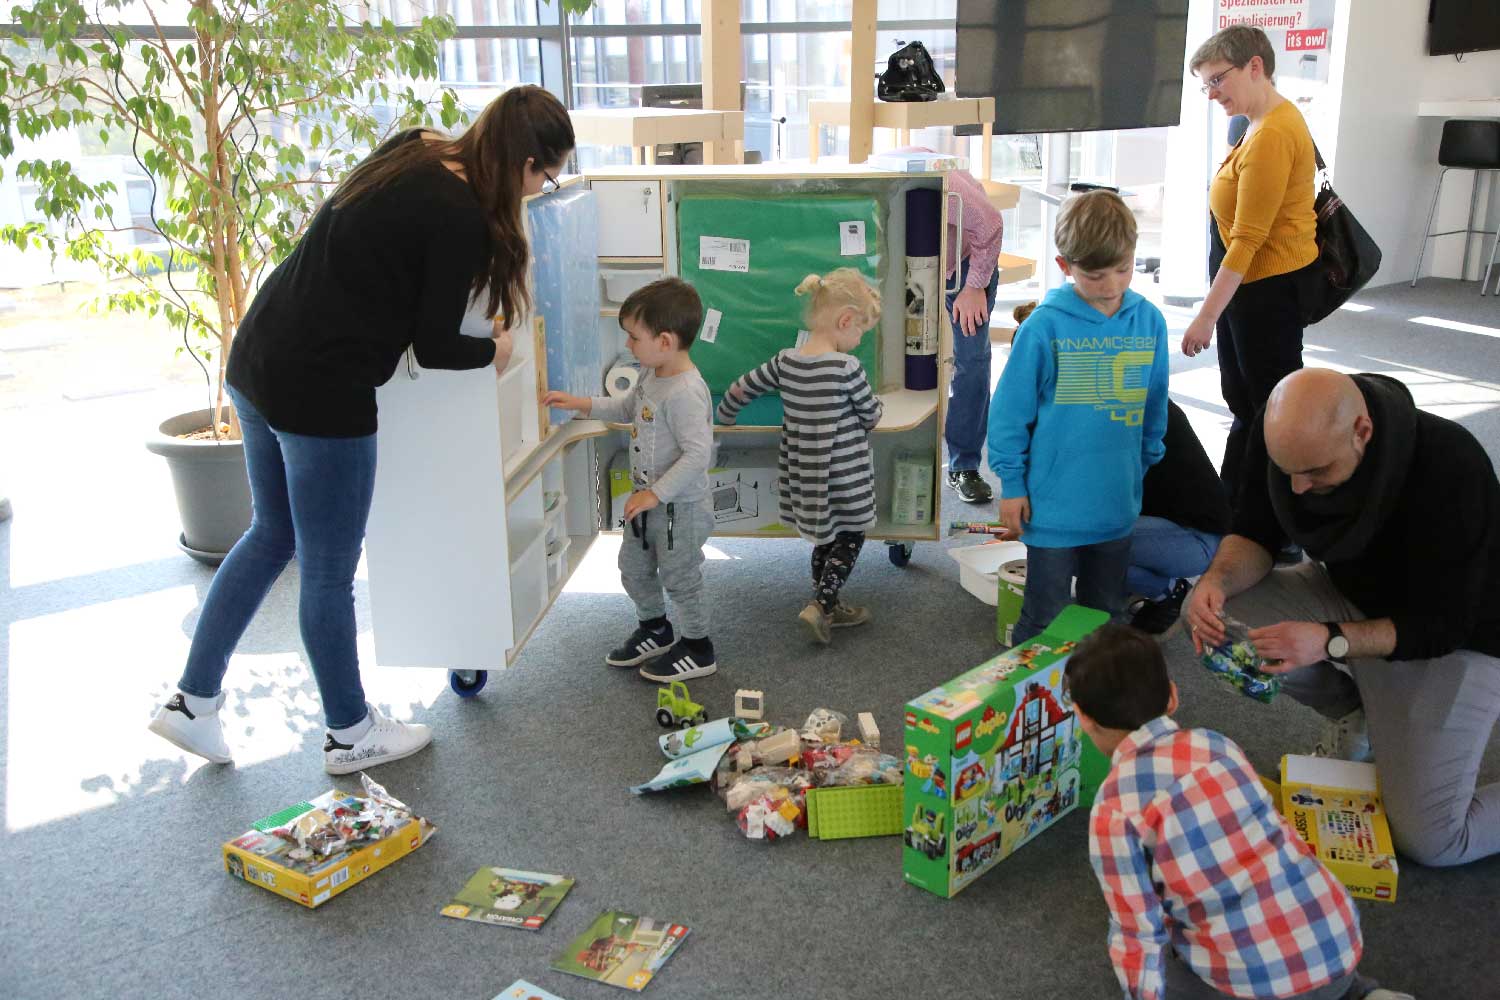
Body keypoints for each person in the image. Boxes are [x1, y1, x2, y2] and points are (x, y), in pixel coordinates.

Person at [148, 86, 575, 774]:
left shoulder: (416, 148)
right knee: (327, 572)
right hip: (321, 388)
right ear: (525, 160)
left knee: (272, 534)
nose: (543, 187)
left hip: (259, 355)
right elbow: (436, 344)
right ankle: (350, 732)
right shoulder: (461, 217)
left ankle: (191, 703)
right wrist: (493, 352)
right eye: (546, 175)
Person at [1184, 368, 1500, 867]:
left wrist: (1330, 641)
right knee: (1214, 616)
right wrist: (1216, 581)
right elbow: (1254, 533)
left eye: (1315, 471)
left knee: (1433, 840)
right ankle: (1357, 711)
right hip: (1349, 595)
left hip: (1455, 637)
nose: (1298, 487)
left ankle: (1382, 709)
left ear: (1363, 432)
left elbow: (1446, 623)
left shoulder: (1451, 464)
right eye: (1287, 469)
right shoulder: (1283, 435)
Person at [1067, 624, 1410, 1000]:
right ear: (1173, 697)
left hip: (1254, 981)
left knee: (1171, 969)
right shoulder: (1217, 746)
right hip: (1336, 938)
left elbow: (1137, 930)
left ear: (1082, 716)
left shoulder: (1113, 810)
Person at [987, 190, 1169, 645]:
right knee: (1044, 618)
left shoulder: (1149, 322)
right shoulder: (1043, 328)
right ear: (1065, 266)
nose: (1110, 284)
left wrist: (1142, 464)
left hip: (1115, 506)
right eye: (1094, 275)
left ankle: (1093, 709)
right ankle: (1032, 708)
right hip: (1052, 510)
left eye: (1123, 269)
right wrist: (1012, 485)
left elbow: (1155, 403)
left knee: (1106, 615)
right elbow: (1008, 417)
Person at [544, 278, 718, 682]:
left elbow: (698, 454)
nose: (627, 345)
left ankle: (698, 646)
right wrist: (583, 404)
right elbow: (626, 406)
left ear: (665, 341)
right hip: (646, 503)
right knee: (633, 568)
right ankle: (655, 626)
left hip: (679, 509)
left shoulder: (686, 393)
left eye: (633, 337)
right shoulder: (651, 373)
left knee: (680, 577)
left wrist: (655, 494)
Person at [1182, 26, 1320, 503]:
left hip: (1267, 290)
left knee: (1272, 411)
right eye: (1206, 85)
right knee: (1248, 405)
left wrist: (1205, 317)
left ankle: (1274, 525)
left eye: (1218, 80)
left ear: (1255, 66)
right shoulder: (1255, 125)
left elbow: (1247, 242)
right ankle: (1235, 509)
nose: (1212, 94)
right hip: (1252, 289)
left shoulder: (1272, 134)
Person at [717, 269, 883, 645]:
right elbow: (871, 416)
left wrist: (725, 419)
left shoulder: (786, 361)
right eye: (860, 332)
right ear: (845, 320)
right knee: (851, 535)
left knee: (825, 538)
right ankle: (821, 605)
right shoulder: (847, 368)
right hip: (844, 474)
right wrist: (879, 405)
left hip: (804, 473)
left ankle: (828, 602)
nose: (858, 341)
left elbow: (741, 388)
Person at [893, 148, 1005, 505]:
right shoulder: (884, 185)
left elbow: (990, 223)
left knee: (971, 360)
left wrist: (974, 288)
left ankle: (964, 466)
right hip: (910, 266)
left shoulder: (947, 186)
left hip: (966, 267)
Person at [1125, 400, 1231, 634]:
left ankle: (1169, 592)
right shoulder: (1136, 396)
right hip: (1178, 528)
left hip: (1197, 538)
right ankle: (1127, 581)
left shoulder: (1130, 410)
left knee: (1078, 544)